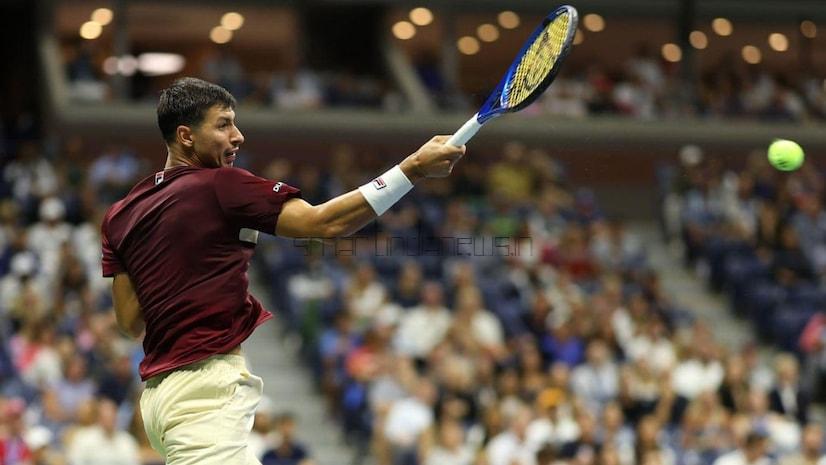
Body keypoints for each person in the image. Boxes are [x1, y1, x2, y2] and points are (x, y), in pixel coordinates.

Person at [100, 77, 465, 465]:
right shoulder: (220, 185)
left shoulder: (122, 213)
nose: (238, 136)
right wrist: (412, 169)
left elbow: (129, 322)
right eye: (223, 124)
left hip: (159, 402)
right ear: (186, 136)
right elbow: (324, 224)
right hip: (202, 395)